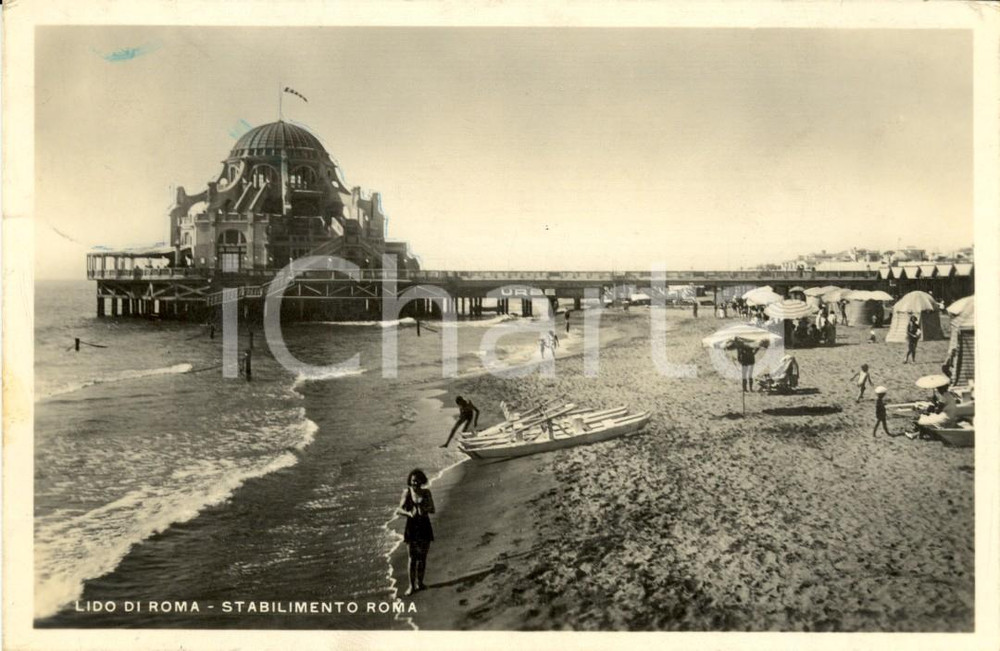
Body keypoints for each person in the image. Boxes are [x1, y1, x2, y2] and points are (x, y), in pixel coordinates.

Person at [396, 469, 435, 596]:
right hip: (412, 526)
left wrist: (424, 509)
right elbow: (398, 510)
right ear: (410, 481)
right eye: (413, 481)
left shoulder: (426, 492)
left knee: (422, 557)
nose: (415, 483)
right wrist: (408, 513)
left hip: (424, 525)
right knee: (412, 558)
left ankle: (421, 583)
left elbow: (432, 509)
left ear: (422, 481)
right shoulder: (407, 492)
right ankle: (411, 586)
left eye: (417, 481)